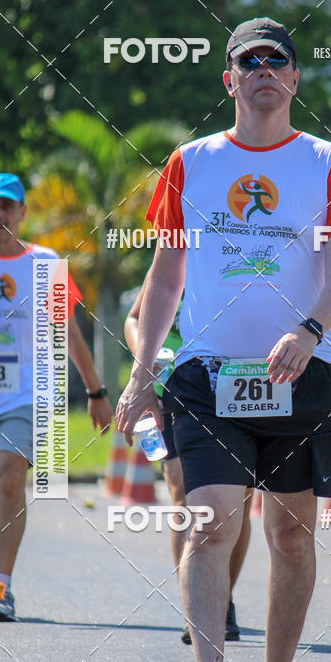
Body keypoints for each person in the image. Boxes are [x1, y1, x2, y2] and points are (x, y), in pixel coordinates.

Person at [116, 17, 331, 662]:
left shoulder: (327, 161)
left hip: (302, 374)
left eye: (276, 60)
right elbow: (165, 280)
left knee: (291, 537)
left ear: (293, 78)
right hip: (206, 375)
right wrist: (140, 375)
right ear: (229, 79)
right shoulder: (189, 162)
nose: (263, 69)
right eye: (247, 61)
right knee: (210, 523)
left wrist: (309, 329)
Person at [0, 172, 113, 621]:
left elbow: (68, 332)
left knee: (10, 479)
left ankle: (2, 588)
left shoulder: (45, 264)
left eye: (8, 206)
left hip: (24, 395)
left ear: (23, 213)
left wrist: (95, 390)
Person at [124, 275, 251, 642]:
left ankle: (222, 596)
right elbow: (133, 319)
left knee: (240, 501)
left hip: (234, 391)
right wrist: (148, 359)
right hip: (167, 396)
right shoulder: (174, 262)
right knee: (183, 496)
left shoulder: (238, 261)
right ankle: (195, 604)